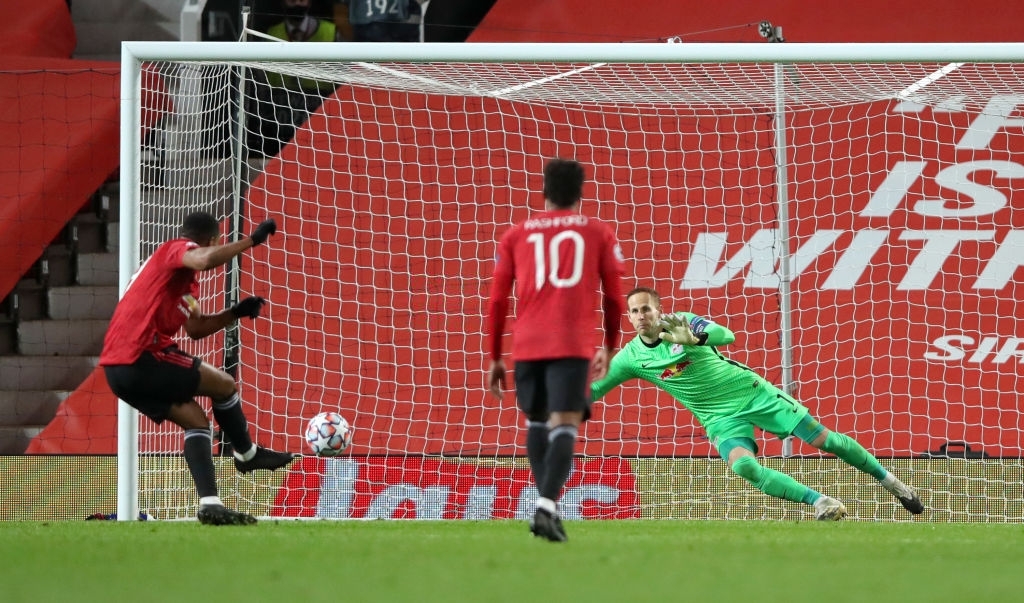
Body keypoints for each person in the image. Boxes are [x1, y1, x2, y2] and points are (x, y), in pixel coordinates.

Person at [591, 286, 925, 520]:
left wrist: (696, 338)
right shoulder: (630, 358)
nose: (640, 315)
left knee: (824, 440)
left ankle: (891, 482)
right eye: (634, 311)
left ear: (658, 310)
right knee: (743, 466)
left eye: (646, 308)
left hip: (753, 393)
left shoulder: (682, 322)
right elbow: (595, 389)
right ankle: (821, 502)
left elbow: (727, 335)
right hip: (717, 417)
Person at [100, 211, 296, 526]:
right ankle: (246, 454)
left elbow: (197, 328)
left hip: (118, 370)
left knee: (196, 420)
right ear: (213, 239)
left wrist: (236, 311)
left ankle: (210, 504)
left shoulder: (182, 284)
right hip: (140, 356)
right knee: (224, 384)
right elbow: (203, 260)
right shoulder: (174, 249)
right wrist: (251, 241)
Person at [486, 158, 626, 541]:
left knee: (535, 422)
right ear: (580, 193)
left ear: (544, 191)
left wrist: (496, 355)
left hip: (527, 346)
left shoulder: (515, 235)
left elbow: (497, 301)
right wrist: (611, 346)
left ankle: (546, 506)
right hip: (570, 345)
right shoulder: (598, 233)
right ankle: (546, 506)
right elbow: (614, 298)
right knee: (564, 424)